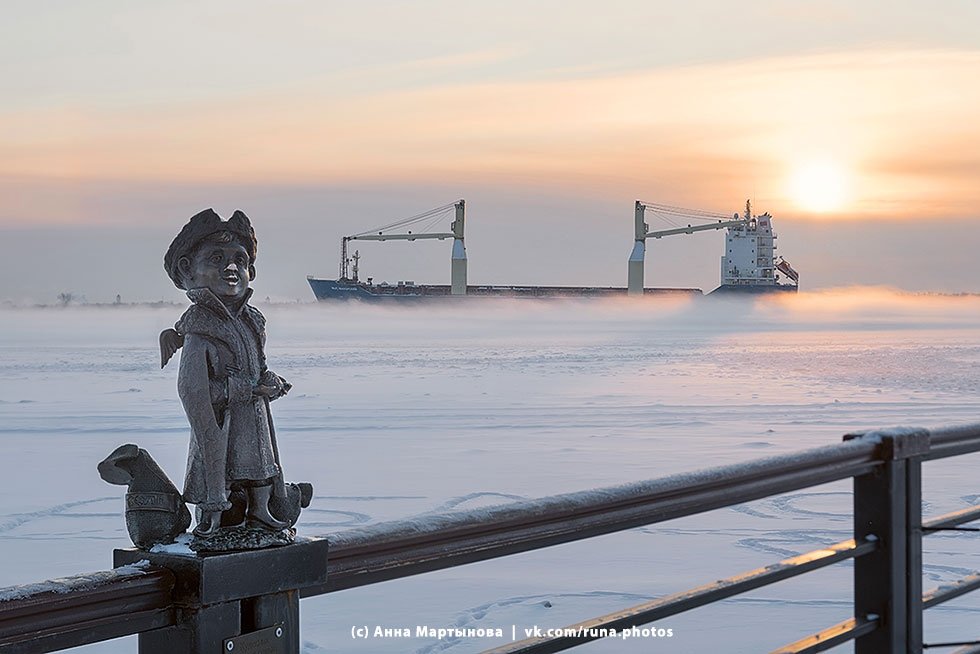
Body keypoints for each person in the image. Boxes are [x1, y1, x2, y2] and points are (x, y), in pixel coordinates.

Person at [161, 209, 291, 537]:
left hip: (253, 417)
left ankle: (260, 511)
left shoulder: (252, 321)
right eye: (216, 259)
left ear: (251, 271)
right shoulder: (199, 329)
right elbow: (193, 391)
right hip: (223, 422)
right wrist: (245, 390)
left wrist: (270, 382)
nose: (231, 268)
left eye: (239, 260)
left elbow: (259, 366)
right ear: (188, 270)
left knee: (260, 462)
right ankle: (213, 516)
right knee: (222, 469)